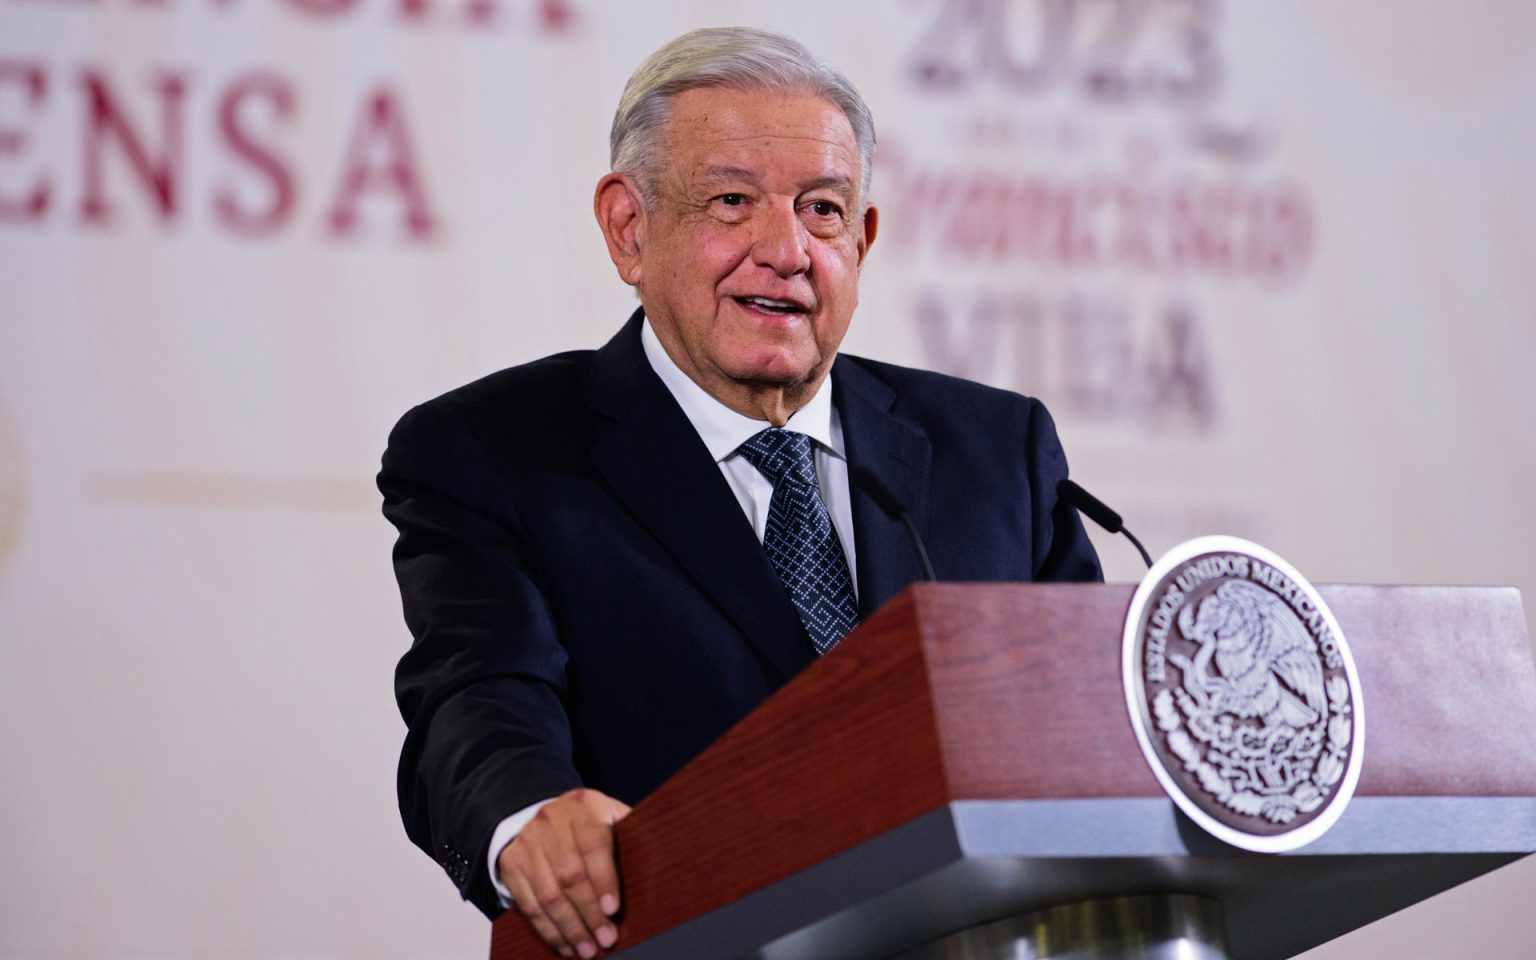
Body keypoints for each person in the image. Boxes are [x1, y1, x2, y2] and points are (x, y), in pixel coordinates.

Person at [378, 26, 1101, 959]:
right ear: (628, 228)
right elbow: (478, 697)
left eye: (824, 210)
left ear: (864, 238)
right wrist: (531, 814)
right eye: (731, 202)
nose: (787, 250)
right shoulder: (495, 452)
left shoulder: (996, 451)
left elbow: (1092, 726)